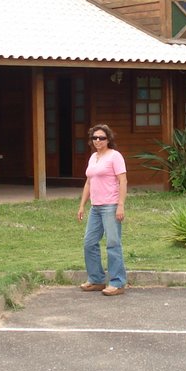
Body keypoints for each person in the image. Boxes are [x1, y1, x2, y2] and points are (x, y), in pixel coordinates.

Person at [77, 123, 128, 296]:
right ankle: (96, 279)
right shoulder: (93, 158)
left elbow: (123, 181)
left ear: (108, 139)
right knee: (89, 243)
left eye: (102, 138)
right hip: (95, 207)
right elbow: (89, 182)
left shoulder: (115, 156)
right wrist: (82, 205)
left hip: (111, 206)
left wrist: (120, 205)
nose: (98, 140)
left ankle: (117, 283)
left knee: (113, 244)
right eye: (95, 138)